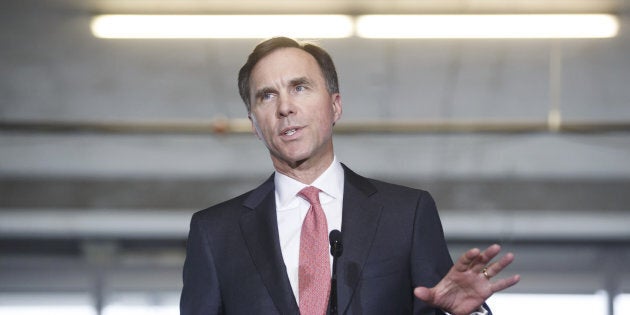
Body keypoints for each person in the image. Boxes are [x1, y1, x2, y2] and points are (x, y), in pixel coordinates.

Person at [180, 37, 520, 315]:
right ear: (255, 123)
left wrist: (459, 314)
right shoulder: (215, 233)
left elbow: (437, 303)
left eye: (300, 87)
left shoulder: (406, 214)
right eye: (267, 96)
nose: (285, 107)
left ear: (335, 106)